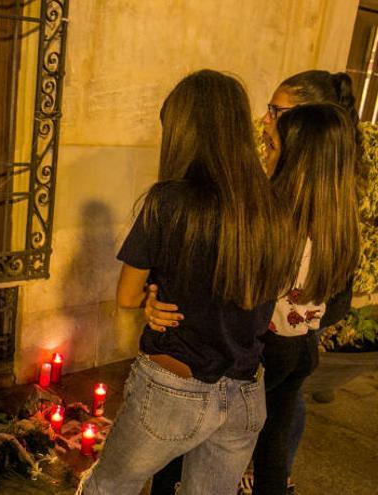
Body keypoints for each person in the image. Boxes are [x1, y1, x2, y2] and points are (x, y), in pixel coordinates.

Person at [77, 70, 294, 495]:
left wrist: (151, 297)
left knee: (109, 487)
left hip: (174, 387)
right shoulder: (271, 205)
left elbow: (126, 294)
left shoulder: (169, 201)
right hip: (246, 392)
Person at [148, 71, 361, 495]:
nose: (265, 124)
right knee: (272, 449)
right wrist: (304, 317)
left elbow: (239, 287)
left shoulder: (276, 211)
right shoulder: (340, 213)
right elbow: (335, 299)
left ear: (303, 138)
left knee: (200, 438)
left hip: (258, 349)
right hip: (299, 348)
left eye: (276, 116)